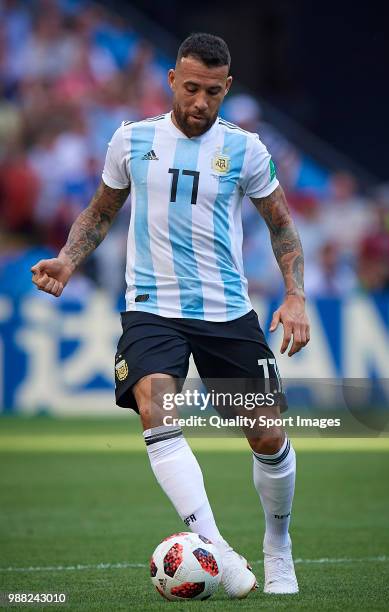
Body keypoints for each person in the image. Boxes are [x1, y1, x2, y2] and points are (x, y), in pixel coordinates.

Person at [31, 33, 310, 598]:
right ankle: (219, 552)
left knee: (266, 435)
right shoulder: (131, 141)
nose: (200, 102)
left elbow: (280, 223)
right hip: (151, 308)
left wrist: (295, 293)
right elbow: (101, 211)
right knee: (155, 410)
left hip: (226, 312)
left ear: (226, 88)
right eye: (190, 89)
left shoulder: (247, 149)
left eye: (212, 91)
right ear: (170, 81)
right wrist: (67, 258)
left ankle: (277, 546)